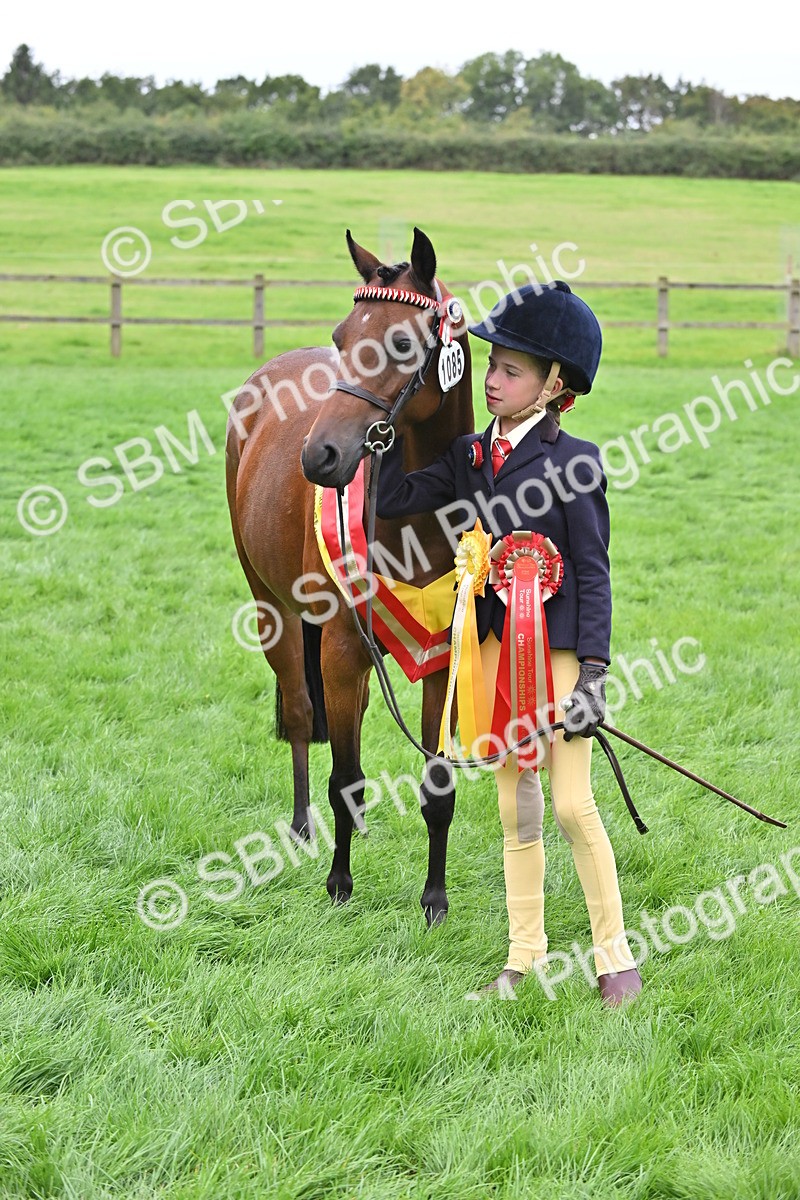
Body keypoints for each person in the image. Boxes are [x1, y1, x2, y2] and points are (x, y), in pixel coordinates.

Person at [375, 280, 642, 1006]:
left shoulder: (576, 462)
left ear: (555, 385)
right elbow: (397, 500)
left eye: (512, 370)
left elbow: (594, 571)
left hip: (556, 656)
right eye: (491, 365)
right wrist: (381, 434)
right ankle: (523, 956)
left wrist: (593, 674)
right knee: (514, 808)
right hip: (495, 654)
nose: (493, 380)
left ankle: (614, 956)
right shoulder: (467, 454)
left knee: (569, 804)